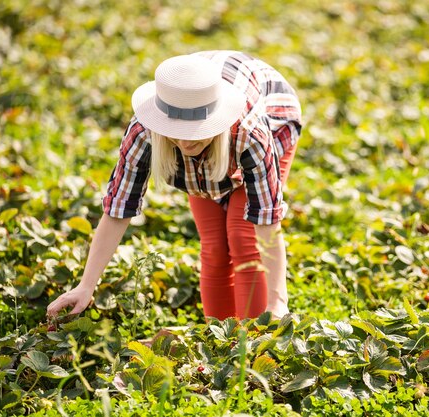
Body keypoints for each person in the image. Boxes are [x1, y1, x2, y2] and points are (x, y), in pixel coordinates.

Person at [46, 50, 302, 321]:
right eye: (176, 132)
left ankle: (253, 339)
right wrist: (86, 286)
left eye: (197, 130)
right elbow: (118, 210)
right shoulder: (143, 134)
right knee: (215, 247)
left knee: (242, 236)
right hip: (212, 153)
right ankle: (221, 341)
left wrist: (278, 302)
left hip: (273, 110)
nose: (187, 142)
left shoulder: (251, 134)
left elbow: (267, 222)